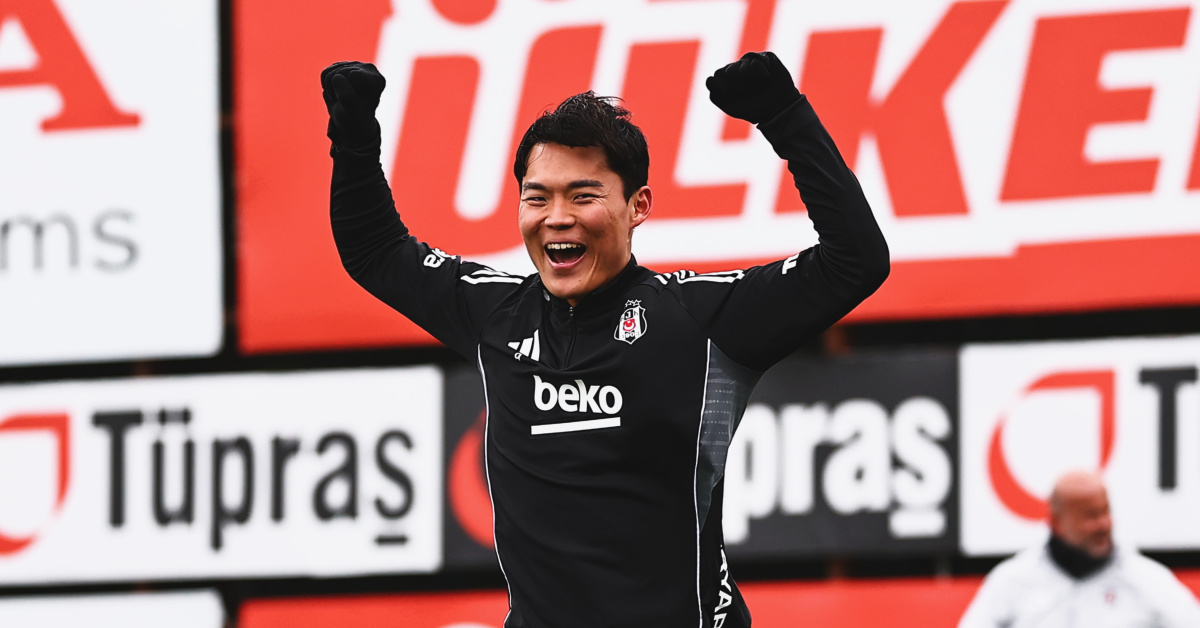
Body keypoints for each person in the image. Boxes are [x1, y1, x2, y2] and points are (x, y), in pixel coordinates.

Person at [321, 52, 889, 628]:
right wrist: (354, 136)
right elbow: (375, 250)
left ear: (637, 206)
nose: (556, 217)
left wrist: (784, 117)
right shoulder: (497, 315)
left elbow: (855, 261)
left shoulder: (701, 318)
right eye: (537, 197)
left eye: (582, 195)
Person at [959, 470, 1200, 627]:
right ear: (1057, 522)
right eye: (1090, 516)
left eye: (1105, 511)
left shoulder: (1148, 580)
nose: (1104, 525)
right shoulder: (1012, 580)